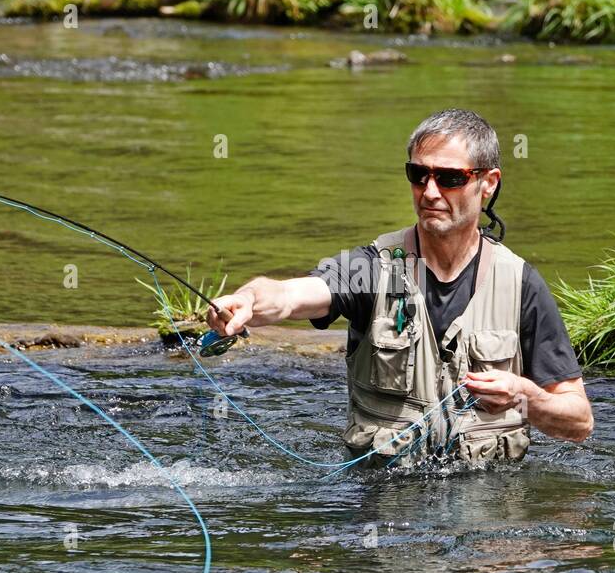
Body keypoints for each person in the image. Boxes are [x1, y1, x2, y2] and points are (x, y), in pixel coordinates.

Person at [205, 108, 593, 469]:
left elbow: (579, 422)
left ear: (488, 183)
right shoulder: (371, 268)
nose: (430, 192)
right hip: (385, 508)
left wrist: (525, 395)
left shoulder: (521, 284)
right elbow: (291, 296)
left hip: (490, 513)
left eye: (450, 178)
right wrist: (249, 300)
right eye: (418, 174)